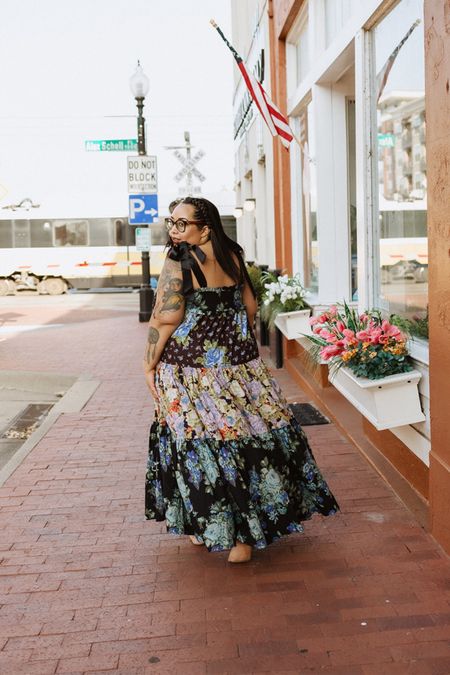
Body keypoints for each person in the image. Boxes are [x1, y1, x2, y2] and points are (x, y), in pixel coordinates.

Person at [144, 196, 339, 563]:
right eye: (172, 221)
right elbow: (249, 307)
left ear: (205, 229)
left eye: (182, 223)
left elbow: (165, 318)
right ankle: (242, 539)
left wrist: (147, 364)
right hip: (241, 369)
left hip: (189, 373)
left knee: (196, 444)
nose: (174, 229)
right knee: (249, 438)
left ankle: (215, 530)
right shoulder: (234, 257)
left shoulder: (177, 262)